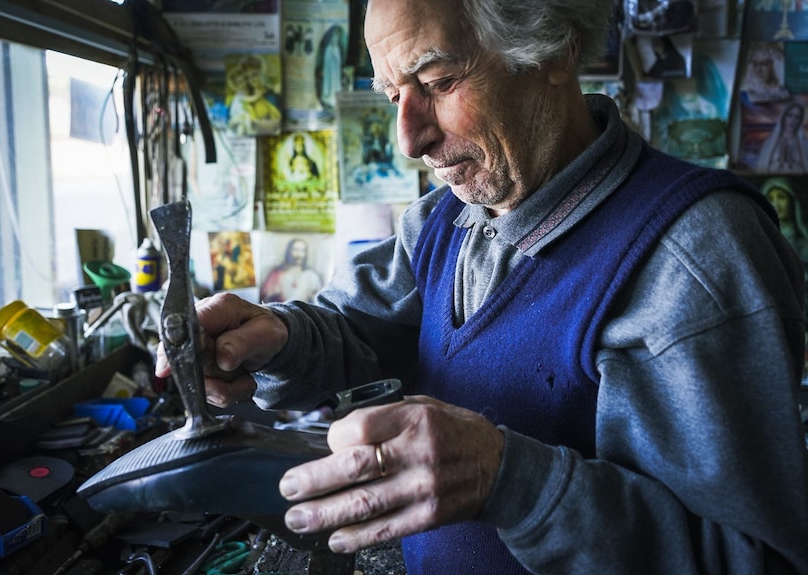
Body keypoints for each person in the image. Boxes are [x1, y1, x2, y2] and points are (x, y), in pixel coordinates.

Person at [158, 0, 808, 573]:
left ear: (553, 47)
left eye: (438, 81)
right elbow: (359, 331)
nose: (409, 137)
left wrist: (513, 482)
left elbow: (754, 559)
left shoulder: (693, 256)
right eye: (394, 96)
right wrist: (276, 337)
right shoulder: (446, 219)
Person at [259, 237, 323, 303]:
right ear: (289, 251)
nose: (299, 254)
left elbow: (320, 300)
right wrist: (273, 293)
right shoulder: (276, 274)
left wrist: (312, 296)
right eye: (295, 250)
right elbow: (264, 299)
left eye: (303, 250)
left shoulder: (312, 275)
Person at [762, 176, 808, 262]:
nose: (776, 205)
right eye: (770, 199)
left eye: (781, 197)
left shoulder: (804, 245)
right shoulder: (762, 241)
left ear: (792, 201)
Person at [758, 101, 808, 174]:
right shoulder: (769, 143)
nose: (793, 120)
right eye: (790, 115)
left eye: (797, 117)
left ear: (800, 121)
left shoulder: (804, 144)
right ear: (784, 117)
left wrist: (792, 166)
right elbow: (761, 169)